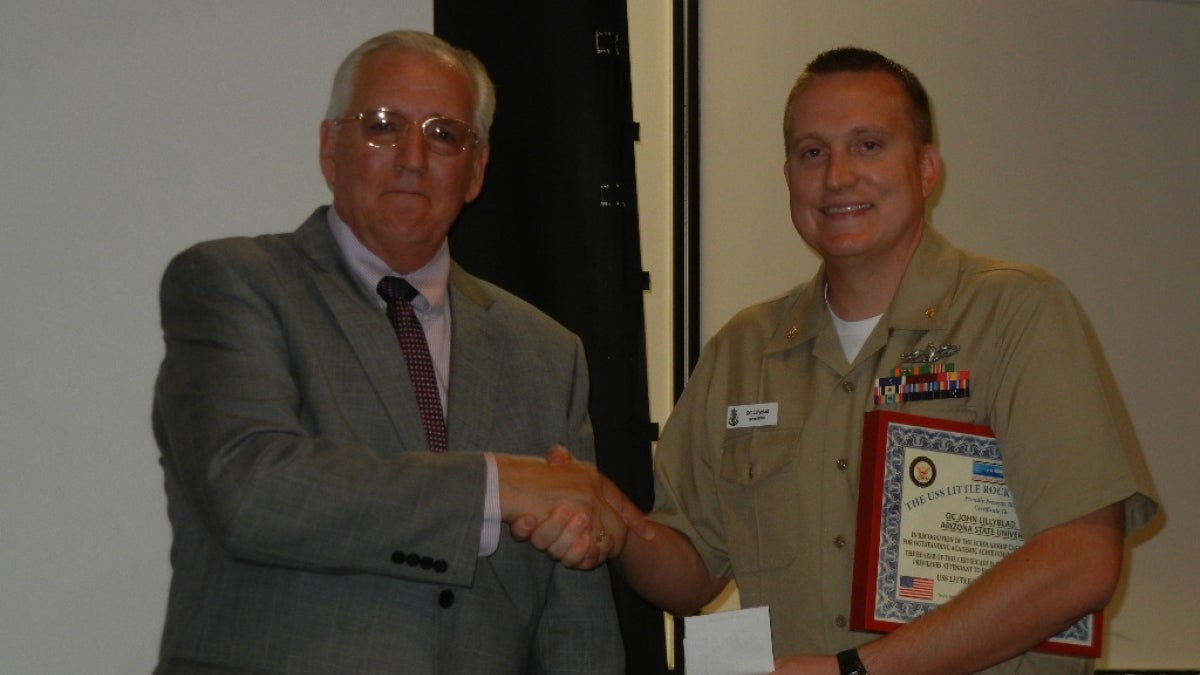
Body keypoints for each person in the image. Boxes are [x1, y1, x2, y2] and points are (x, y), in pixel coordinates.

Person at [517, 47, 1160, 674]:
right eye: (812, 152)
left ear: (927, 168)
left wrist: (857, 671)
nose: (838, 176)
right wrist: (622, 526)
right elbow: (692, 574)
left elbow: (1080, 563)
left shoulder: (1016, 315)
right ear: (790, 175)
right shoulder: (745, 350)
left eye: (869, 145)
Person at [151, 29, 646, 674]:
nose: (414, 157)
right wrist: (496, 488)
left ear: (476, 171)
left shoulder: (546, 352)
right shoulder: (236, 284)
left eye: (445, 134)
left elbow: (575, 615)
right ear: (331, 149)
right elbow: (252, 491)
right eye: (384, 125)